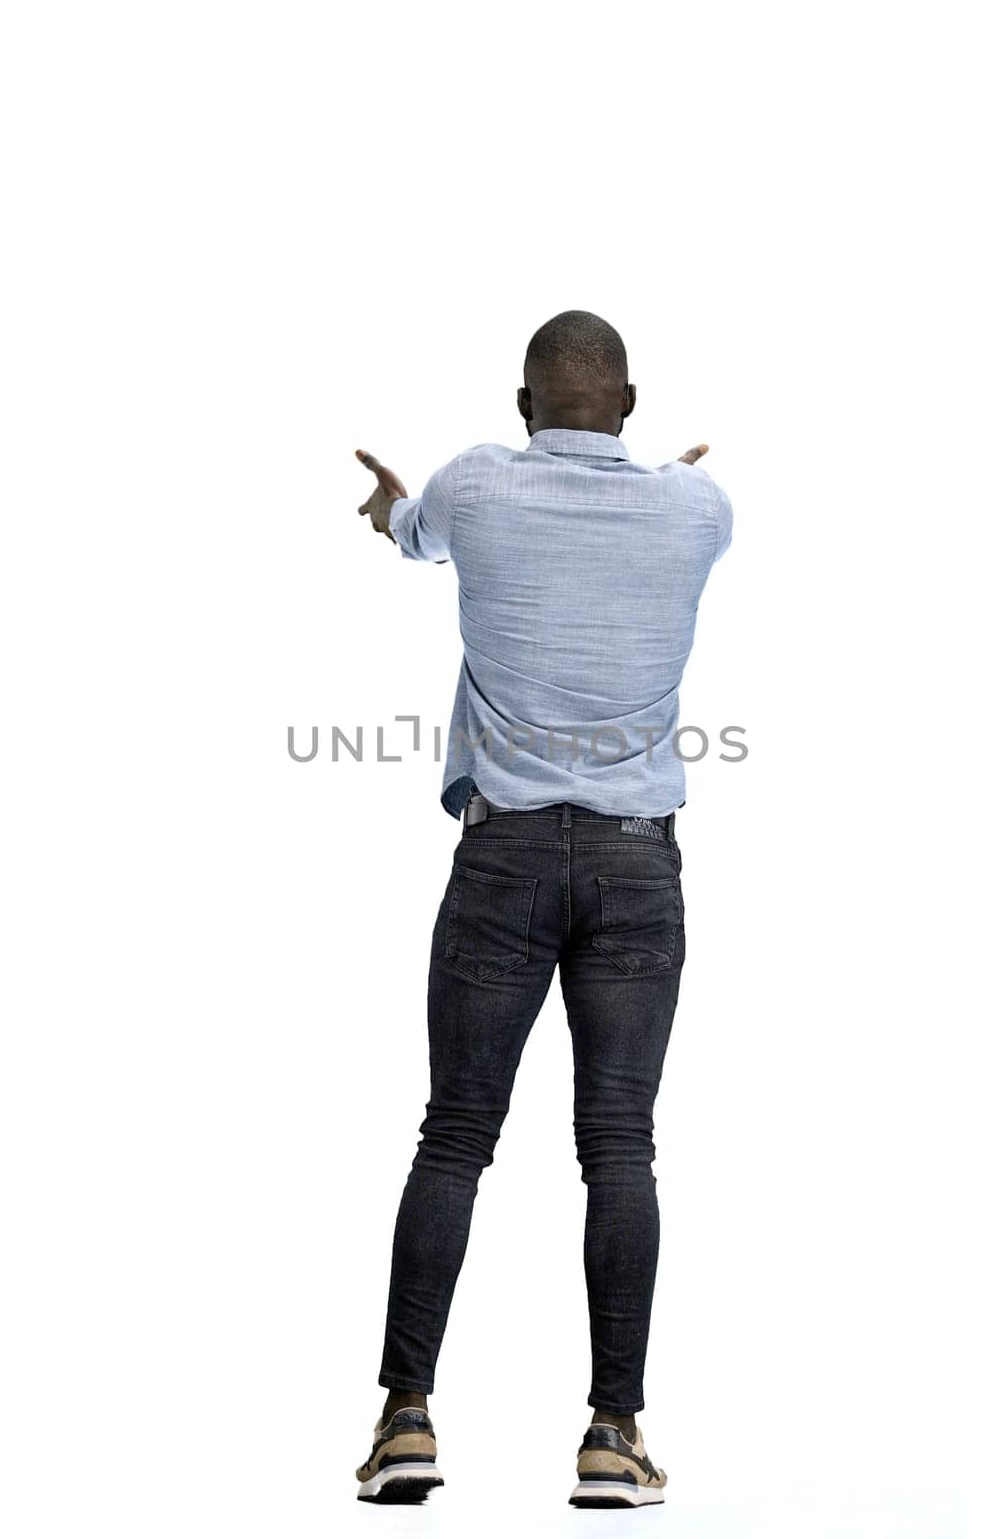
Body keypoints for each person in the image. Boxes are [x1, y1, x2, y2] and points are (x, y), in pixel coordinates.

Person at [351, 310, 732, 1508]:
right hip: (635, 869)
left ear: (523, 405)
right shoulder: (695, 512)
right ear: (628, 404)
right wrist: (655, 484)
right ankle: (612, 1437)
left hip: (503, 861)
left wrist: (387, 511)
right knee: (618, 1145)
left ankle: (405, 1419)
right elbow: (663, 505)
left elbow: (409, 535)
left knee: (454, 1134)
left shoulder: (471, 488)